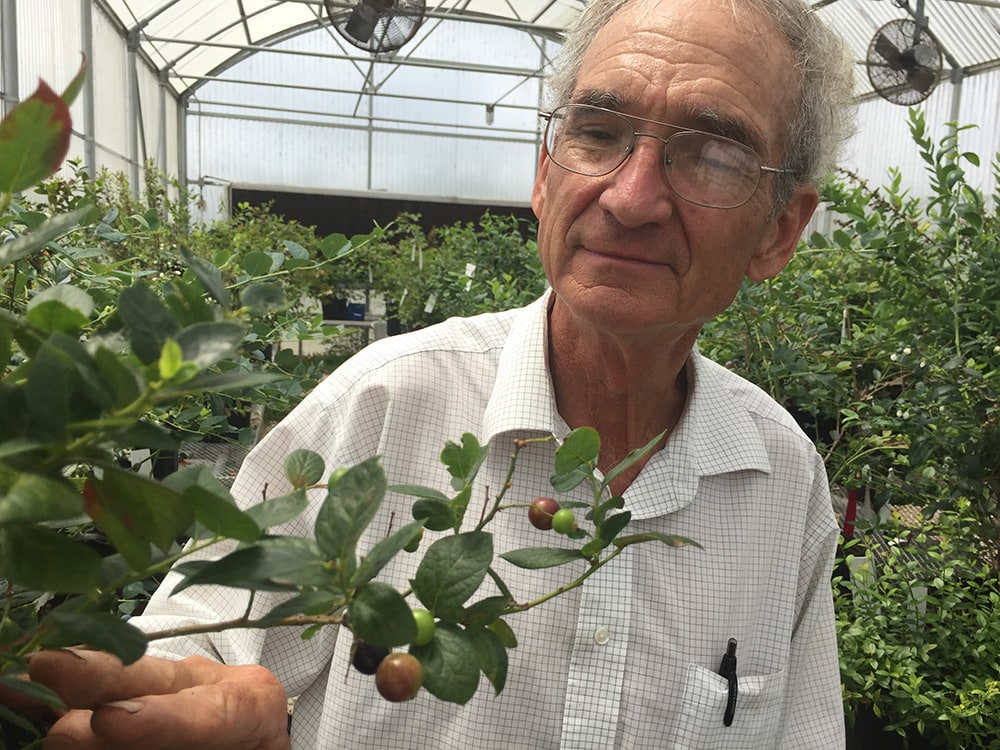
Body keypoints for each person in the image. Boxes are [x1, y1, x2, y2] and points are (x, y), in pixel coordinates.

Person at [24, 0, 856, 746]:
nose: (631, 197)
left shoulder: (780, 484)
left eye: (711, 155)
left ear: (780, 231)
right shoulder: (381, 406)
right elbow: (201, 646)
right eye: (598, 133)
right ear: (544, 172)